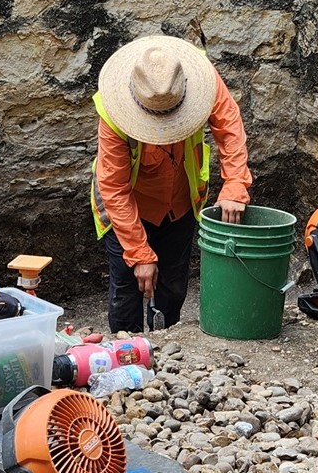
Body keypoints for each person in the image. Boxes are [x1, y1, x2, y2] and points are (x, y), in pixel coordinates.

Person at [90, 35, 253, 333]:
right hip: (127, 208)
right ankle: (128, 350)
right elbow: (114, 188)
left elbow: (229, 126)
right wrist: (140, 253)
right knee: (127, 289)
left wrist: (235, 184)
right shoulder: (112, 116)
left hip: (179, 201)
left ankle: (169, 338)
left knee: (174, 283)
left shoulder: (199, 79)